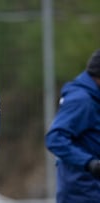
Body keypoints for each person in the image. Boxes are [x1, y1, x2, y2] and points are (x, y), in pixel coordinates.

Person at [45, 49, 100, 203]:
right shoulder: (82, 100)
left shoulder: (94, 98)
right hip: (82, 192)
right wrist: (89, 163)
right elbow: (55, 138)